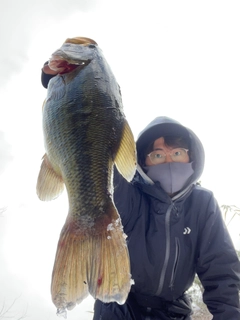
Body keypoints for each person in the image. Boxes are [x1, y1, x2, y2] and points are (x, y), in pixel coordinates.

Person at [41, 63, 240, 320]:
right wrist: (62, 86)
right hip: (117, 311)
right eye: (157, 155)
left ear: (191, 158)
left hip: (175, 313)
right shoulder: (128, 194)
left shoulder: (203, 204)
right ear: (143, 162)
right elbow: (96, 148)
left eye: (177, 153)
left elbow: (221, 271)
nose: (169, 160)